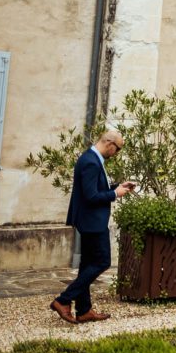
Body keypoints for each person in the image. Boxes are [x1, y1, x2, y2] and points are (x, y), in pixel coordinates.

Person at [50, 129, 137, 324]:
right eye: (118, 149)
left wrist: (117, 186)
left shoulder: (93, 158)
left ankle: (84, 310)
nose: (116, 153)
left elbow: (96, 189)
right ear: (109, 143)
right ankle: (63, 300)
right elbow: (91, 197)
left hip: (91, 220)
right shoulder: (90, 161)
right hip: (92, 222)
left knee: (87, 266)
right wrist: (116, 194)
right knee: (102, 262)